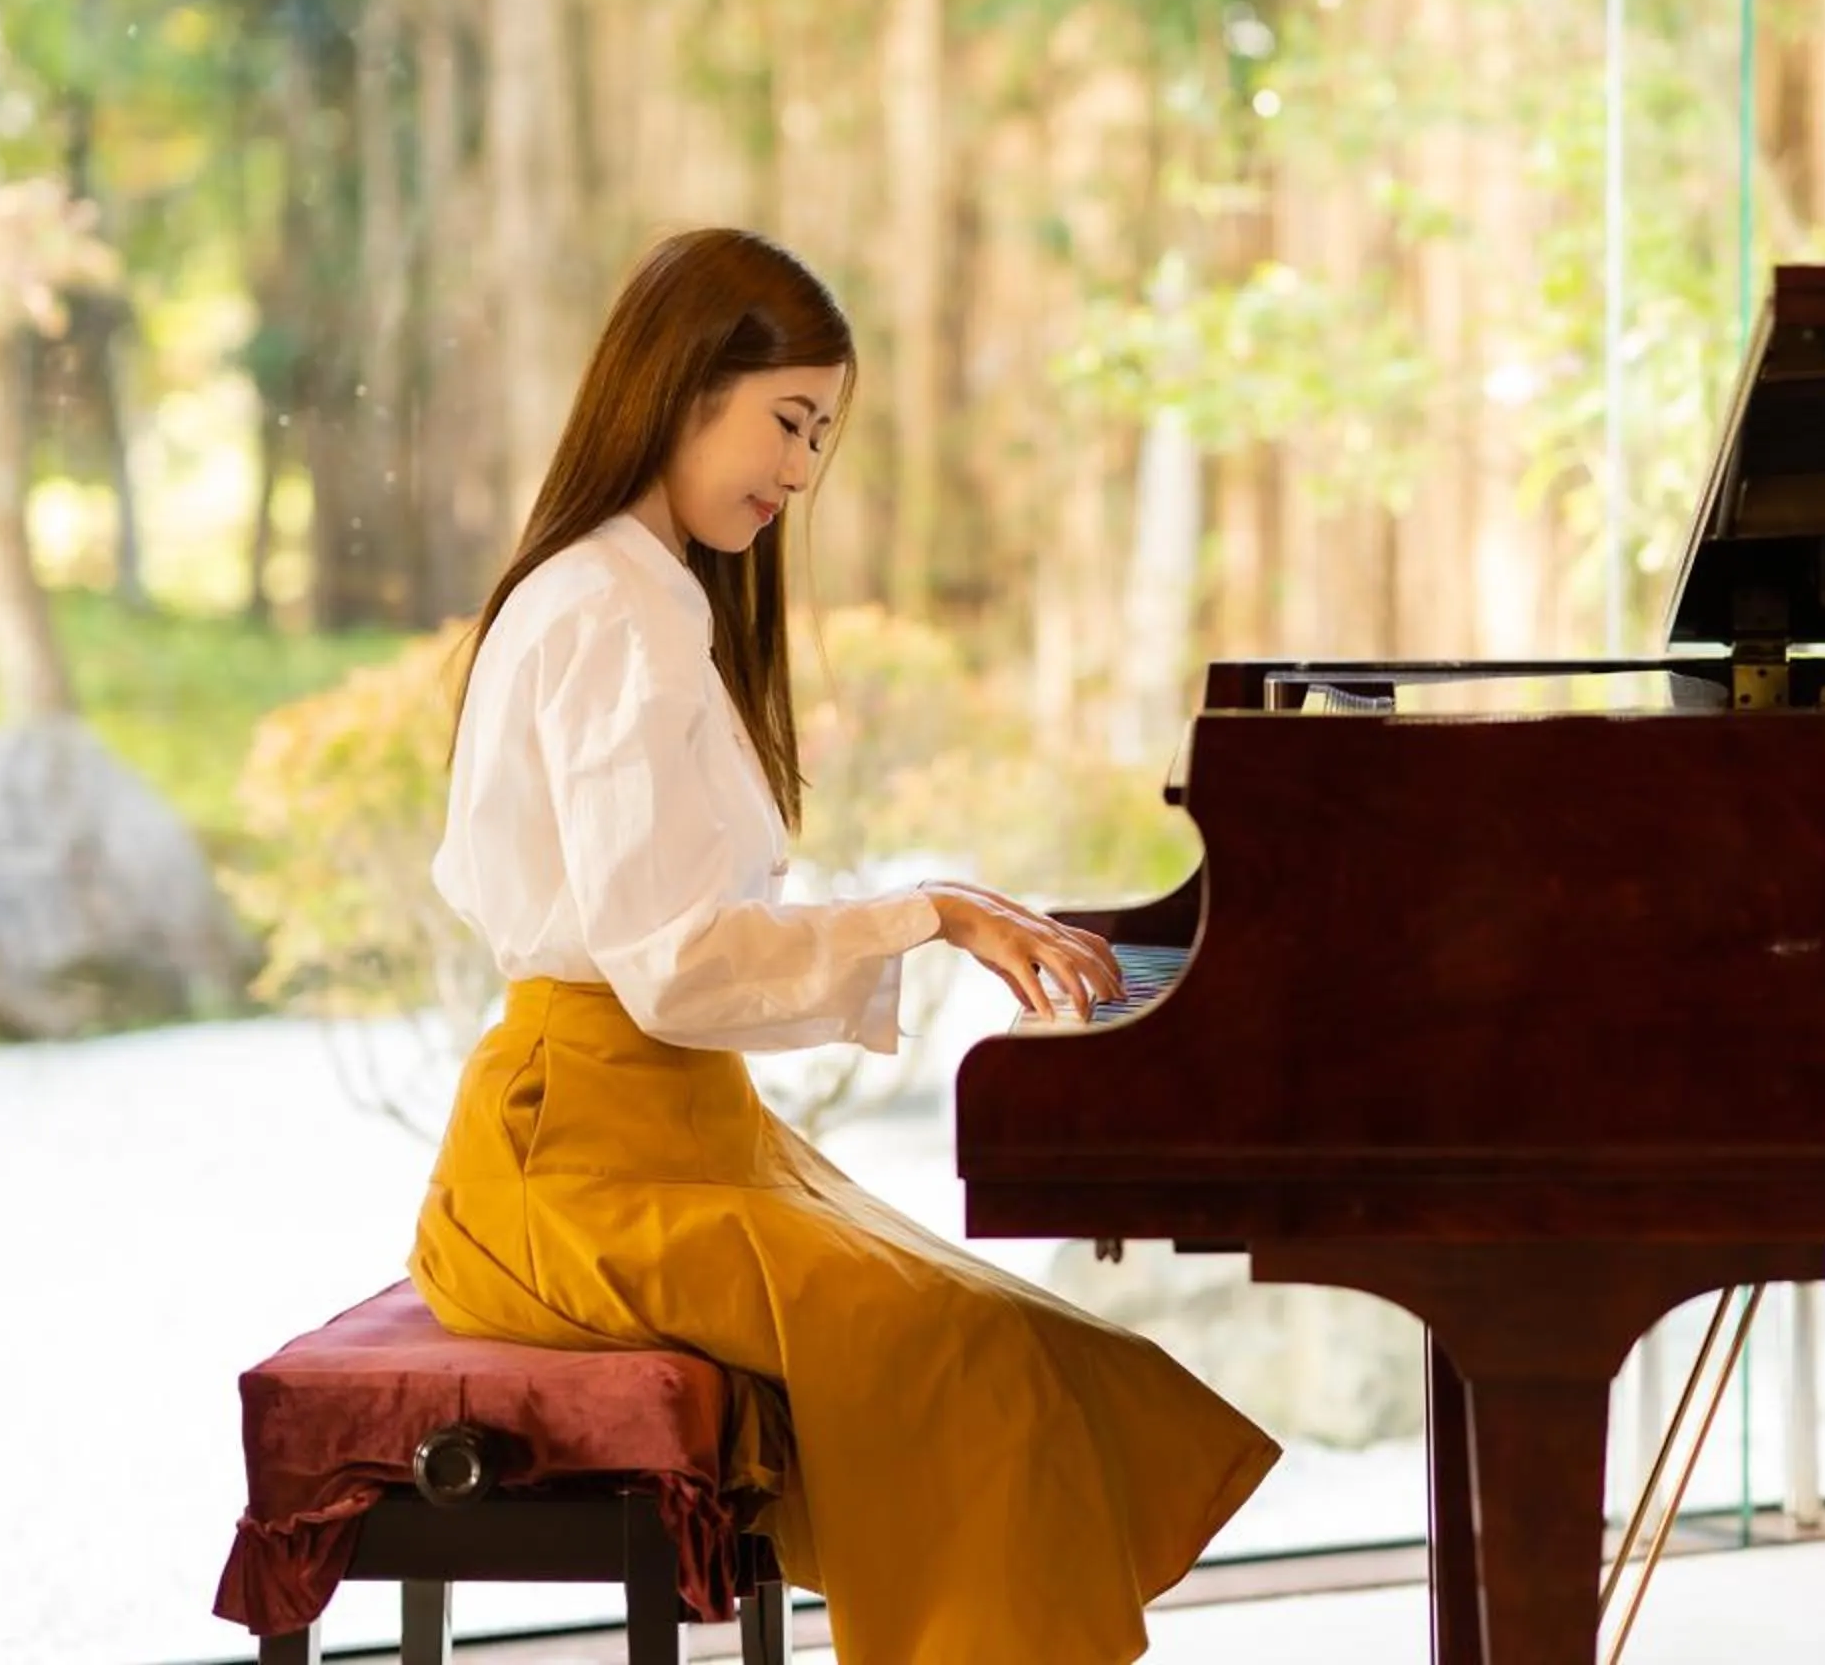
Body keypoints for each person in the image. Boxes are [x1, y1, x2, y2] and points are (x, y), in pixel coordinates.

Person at [410, 226, 1279, 1663]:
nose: (802, 471)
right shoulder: (616, 612)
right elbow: (672, 965)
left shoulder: (635, 594)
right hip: (576, 1170)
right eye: (790, 423)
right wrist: (927, 912)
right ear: (688, 387)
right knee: (977, 1359)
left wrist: (931, 910)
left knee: (1052, 1350)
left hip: (667, 1135)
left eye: (818, 435)